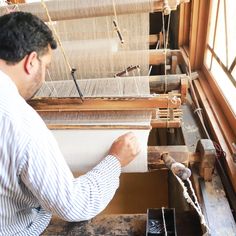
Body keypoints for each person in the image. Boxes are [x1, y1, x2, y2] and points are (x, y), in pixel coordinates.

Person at [0, 12, 141, 236]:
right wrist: (116, 160)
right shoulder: (21, 123)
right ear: (31, 61)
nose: (45, 77)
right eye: (46, 67)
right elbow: (74, 204)